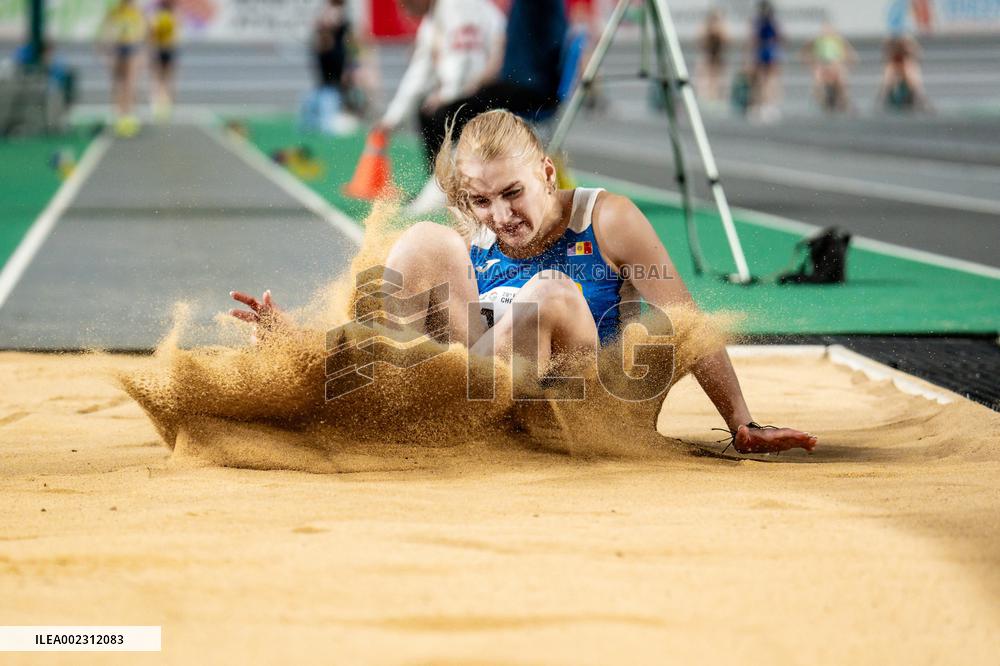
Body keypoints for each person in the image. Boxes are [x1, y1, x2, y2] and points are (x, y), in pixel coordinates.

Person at [230, 109, 818, 455]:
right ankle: (350, 389)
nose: (501, 216)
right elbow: (414, 318)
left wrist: (741, 421)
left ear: (544, 172)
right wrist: (305, 343)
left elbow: (687, 321)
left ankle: (403, 417)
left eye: (513, 194)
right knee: (423, 243)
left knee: (549, 294)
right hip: (490, 400)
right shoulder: (474, 228)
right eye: (481, 201)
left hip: (586, 410)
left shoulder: (609, 218)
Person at [374, 0, 506, 166]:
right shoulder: (431, 21)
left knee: (440, 113)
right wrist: (391, 119)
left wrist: (446, 95)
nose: (404, 9)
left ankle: (454, 177)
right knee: (428, 110)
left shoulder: (458, 6)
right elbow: (418, 73)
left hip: (494, 88)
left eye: (406, 3)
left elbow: (467, 60)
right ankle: (441, 176)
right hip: (472, 88)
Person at [98, 0, 146, 137]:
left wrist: (142, 53)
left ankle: (128, 115)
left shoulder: (136, 11)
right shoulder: (114, 12)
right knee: (118, 83)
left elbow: (144, 32)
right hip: (117, 47)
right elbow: (106, 29)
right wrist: (105, 48)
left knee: (130, 84)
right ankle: (120, 115)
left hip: (132, 47)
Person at [800, 21, 857, 113]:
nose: (827, 31)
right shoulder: (817, 39)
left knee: (842, 81)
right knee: (817, 82)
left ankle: (844, 103)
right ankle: (823, 102)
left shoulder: (838, 39)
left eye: (829, 29)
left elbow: (850, 53)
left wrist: (848, 63)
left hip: (835, 65)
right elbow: (805, 51)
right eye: (825, 29)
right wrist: (810, 63)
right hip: (821, 65)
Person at [749, 1, 782, 123]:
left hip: (768, 52)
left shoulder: (769, 23)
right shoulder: (759, 23)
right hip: (763, 52)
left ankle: (769, 104)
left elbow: (777, 37)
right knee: (761, 81)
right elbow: (755, 39)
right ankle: (760, 105)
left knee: (769, 81)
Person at [878, 34, 929, 111]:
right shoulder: (891, 62)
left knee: (911, 75)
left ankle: (923, 101)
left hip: (906, 63)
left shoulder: (908, 45)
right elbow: (885, 58)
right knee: (888, 76)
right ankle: (881, 100)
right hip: (895, 63)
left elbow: (918, 55)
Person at [148, 0, 179, 121]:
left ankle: (167, 105)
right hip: (160, 49)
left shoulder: (173, 15)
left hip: (168, 49)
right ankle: (158, 105)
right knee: (159, 79)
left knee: (166, 79)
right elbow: (151, 34)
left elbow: (175, 34)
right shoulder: (157, 16)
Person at [697, 9, 728, 105]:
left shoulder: (721, 29)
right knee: (705, 75)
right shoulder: (705, 28)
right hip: (708, 55)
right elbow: (700, 41)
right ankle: (705, 96)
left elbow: (725, 40)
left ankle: (715, 95)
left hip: (717, 56)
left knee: (716, 76)